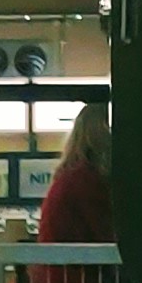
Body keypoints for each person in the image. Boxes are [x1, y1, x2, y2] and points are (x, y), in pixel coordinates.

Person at [39, 92, 112, 243]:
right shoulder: (87, 180)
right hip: (76, 258)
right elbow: (108, 233)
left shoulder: (73, 176)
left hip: (60, 257)